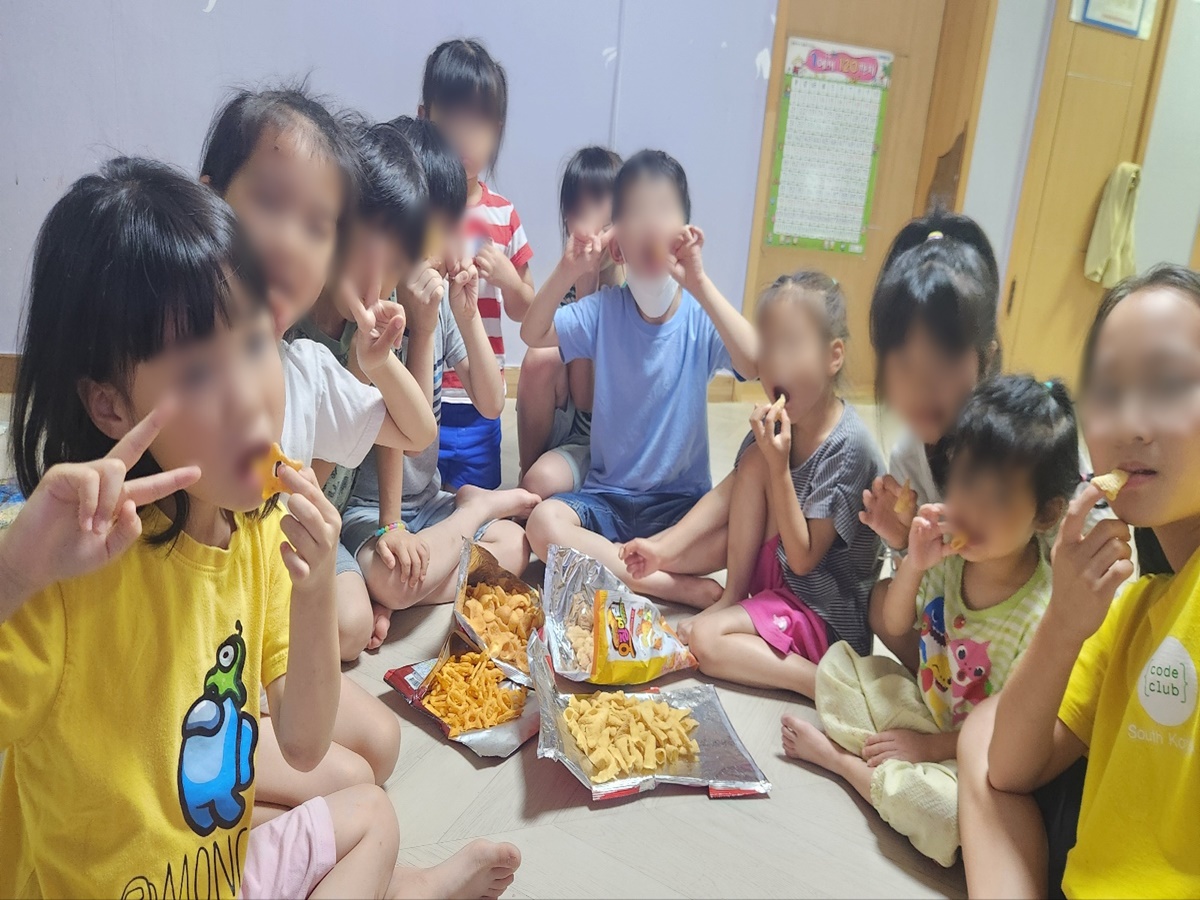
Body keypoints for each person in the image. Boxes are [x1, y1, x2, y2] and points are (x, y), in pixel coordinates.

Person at [0, 158, 520, 899]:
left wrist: (313, 589)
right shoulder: (61, 573)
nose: (249, 399)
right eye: (198, 376)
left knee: (372, 814)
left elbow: (303, 742)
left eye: (252, 347)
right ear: (112, 406)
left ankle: (401, 885)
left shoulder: (252, 534)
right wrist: (15, 573)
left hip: (210, 867)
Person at [201, 90, 428, 814]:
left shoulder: (305, 368)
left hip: (268, 632)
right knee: (353, 783)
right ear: (207, 203)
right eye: (268, 203)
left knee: (380, 748)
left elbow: (416, 432)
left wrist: (380, 361)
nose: (289, 241)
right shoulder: (181, 363)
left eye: (315, 226)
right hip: (195, 651)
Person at [958, 265, 1200, 898]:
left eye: (1169, 384)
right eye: (1108, 389)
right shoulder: (1137, 607)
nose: (1130, 422)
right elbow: (1009, 767)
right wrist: (1065, 622)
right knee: (984, 726)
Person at [781, 375, 1079, 867]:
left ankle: (842, 763)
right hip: (925, 705)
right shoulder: (951, 557)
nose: (970, 509)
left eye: (997, 497)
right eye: (962, 483)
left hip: (972, 758)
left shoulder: (1040, 612)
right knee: (842, 668)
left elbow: (1004, 736)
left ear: (1046, 514)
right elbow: (893, 623)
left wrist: (927, 748)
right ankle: (884, 764)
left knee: (947, 814)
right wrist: (914, 563)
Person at [522, 149, 757, 607]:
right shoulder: (604, 311)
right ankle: (660, 582)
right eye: (636, 212)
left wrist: (701, 284)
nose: (650, 223)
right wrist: (570, 267)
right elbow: (533, 332)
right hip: (608, 500)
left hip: (680, 511)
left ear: (686, 235)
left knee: (748, 529)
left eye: (663, 209)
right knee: (543, 524)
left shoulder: (698, 317)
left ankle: (626, 563)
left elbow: (754, 364)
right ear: (617, 247)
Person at [340, 115, 539, 652]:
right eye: (436, 231)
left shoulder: (438, 303)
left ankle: (447, 540)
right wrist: (422, 329)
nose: (447, 245)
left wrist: (464, 312)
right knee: (396, 579)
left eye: (453, 228)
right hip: (368, 511)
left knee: (516, 546)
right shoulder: (377, 309)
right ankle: (472, 514)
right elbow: (410, 437)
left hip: (429, 503)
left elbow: (492, 402)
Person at [681, 272, 883, 698]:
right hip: (782, 585)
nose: (775, 362)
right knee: (751, 465)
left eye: (791, 345)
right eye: (768, 346)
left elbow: (805, 559)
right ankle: (732, 597)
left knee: (705, 640)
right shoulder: (781, 426)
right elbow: (729, 497)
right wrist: (661, 548)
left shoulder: (849, 447)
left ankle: (827, 686)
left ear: (833, 357)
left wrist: (779, 468)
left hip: (825, 615)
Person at [420, 39, 535, 490]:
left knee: (476, 508)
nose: (466, 135)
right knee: (419, 503)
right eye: (452, 117)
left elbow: (526, 311)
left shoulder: (503, 214)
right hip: (421, 387)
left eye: (481, 122)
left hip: (478, 399)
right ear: (424, 116)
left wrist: (507, 279)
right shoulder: (415, 211)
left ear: (497, 129)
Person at [517, 146, 623, 498]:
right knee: (541, 357)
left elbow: (590, 398)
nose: (592, 227)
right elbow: (531, 335)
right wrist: (582, 281)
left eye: (604, 214)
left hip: (615, 446)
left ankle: (542, 488)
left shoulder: (633, 297)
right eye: (579, 212)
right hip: (574, 437)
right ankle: (527, 482)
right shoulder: (568, 289)